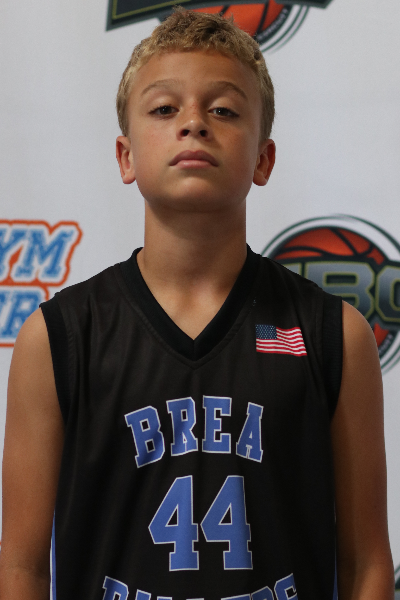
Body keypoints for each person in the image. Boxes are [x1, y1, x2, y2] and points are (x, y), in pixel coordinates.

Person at [0, 8, 394, 600]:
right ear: (125, 155)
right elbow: (23, 568)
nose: (193, 123)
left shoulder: (333, 334)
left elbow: (366, 564)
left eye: (225, 110)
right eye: (164, 109)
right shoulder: (59, 337)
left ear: (263, 159)